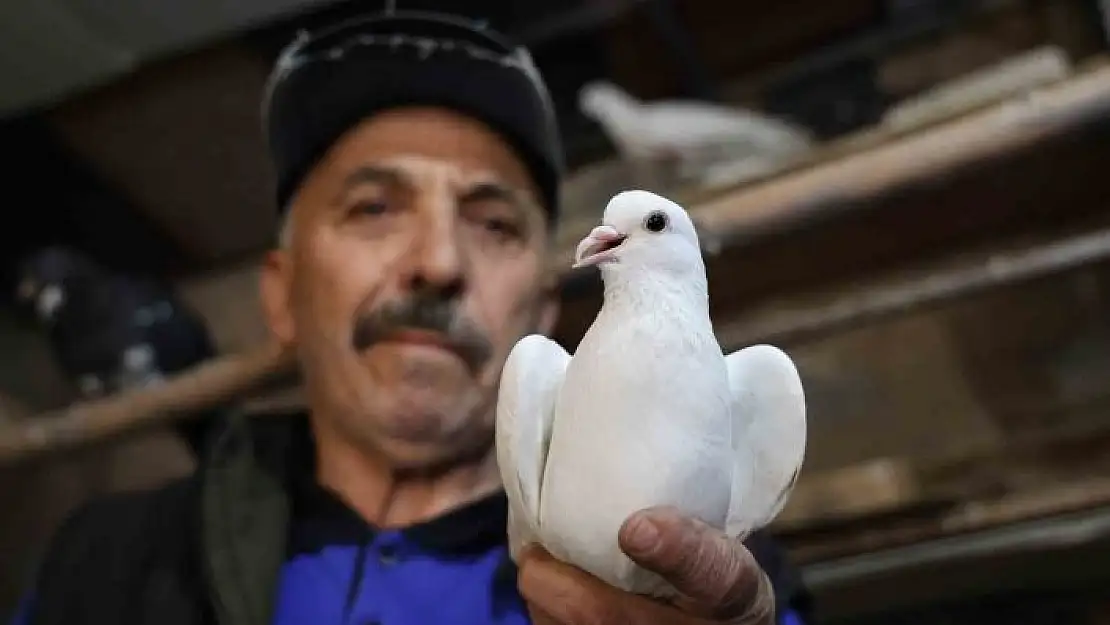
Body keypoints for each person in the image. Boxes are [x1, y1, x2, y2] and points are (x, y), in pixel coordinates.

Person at [12, 10, 811, 625]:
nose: (438, 261)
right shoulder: (101, 564)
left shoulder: (707, 587)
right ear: (281, 294)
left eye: (493, 222)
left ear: (540, 304)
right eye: (373, 209)